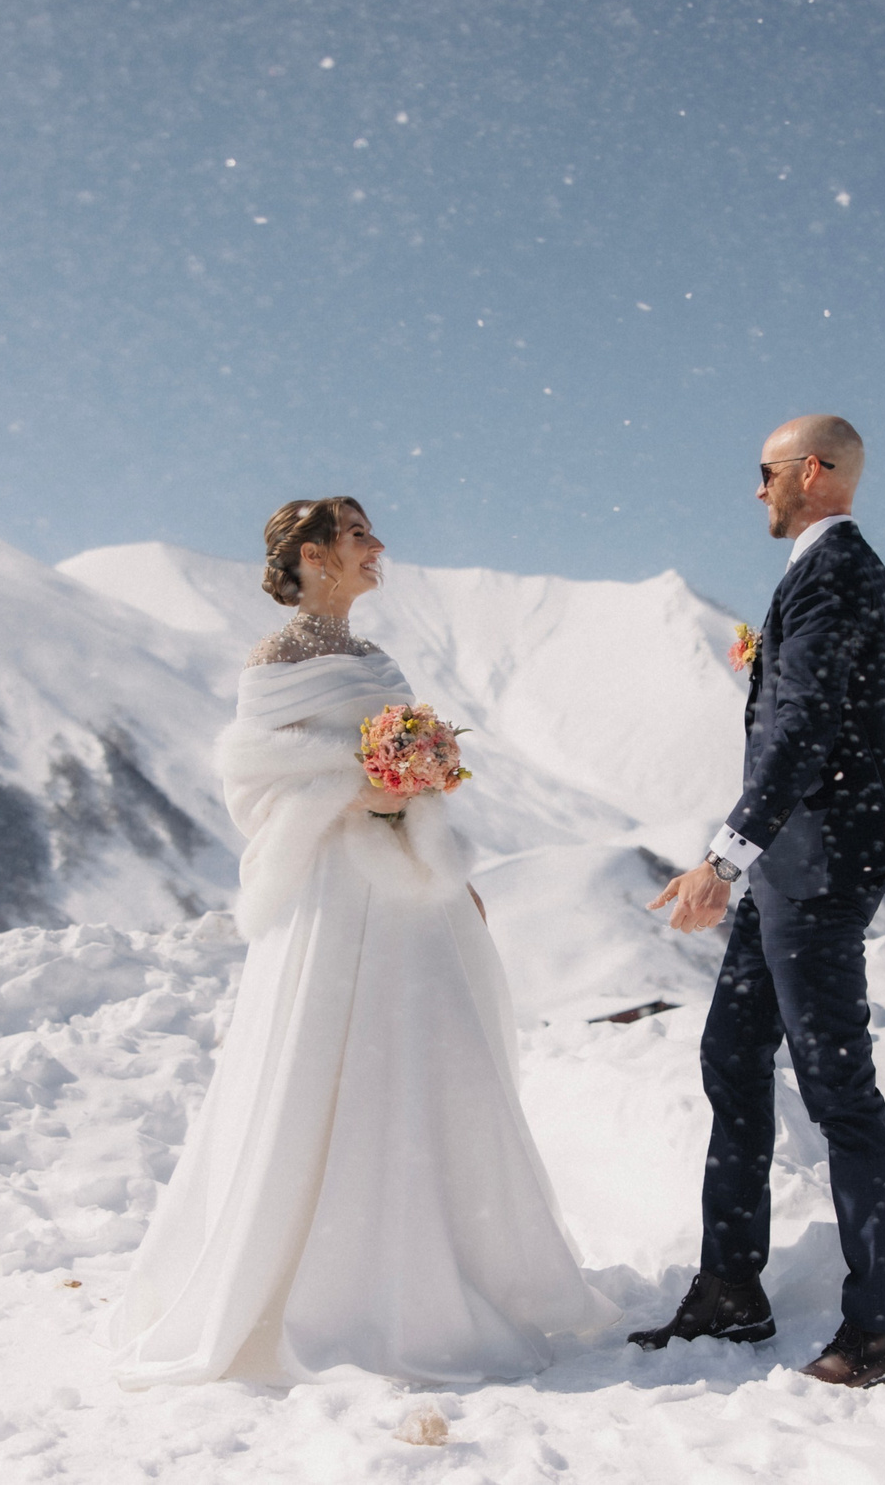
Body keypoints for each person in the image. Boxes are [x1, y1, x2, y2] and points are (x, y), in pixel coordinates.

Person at [106, 496, 614, 1386]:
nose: (378, 546)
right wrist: (353, 789)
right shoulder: (274, 662)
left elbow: (408, 775)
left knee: (429, 1057)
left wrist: (426, 814)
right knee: (322, 1063)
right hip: (330, 890)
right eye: (357, 536)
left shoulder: (378, 660)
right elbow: (252, 784)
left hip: (411, 891)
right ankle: (321, 1282)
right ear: (313, 556)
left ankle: (438, 1261)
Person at [634, 415, 885, 1391]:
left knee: (841, 1096)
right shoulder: (826, 572)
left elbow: (803, 730)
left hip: (820, 870)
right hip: (792, 867)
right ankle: (731, 1288)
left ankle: (881, 1332)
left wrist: (723, 859)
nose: (755, 488)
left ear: (811, 471)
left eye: (765, 471)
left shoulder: (837, 575)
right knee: (731, 1054)